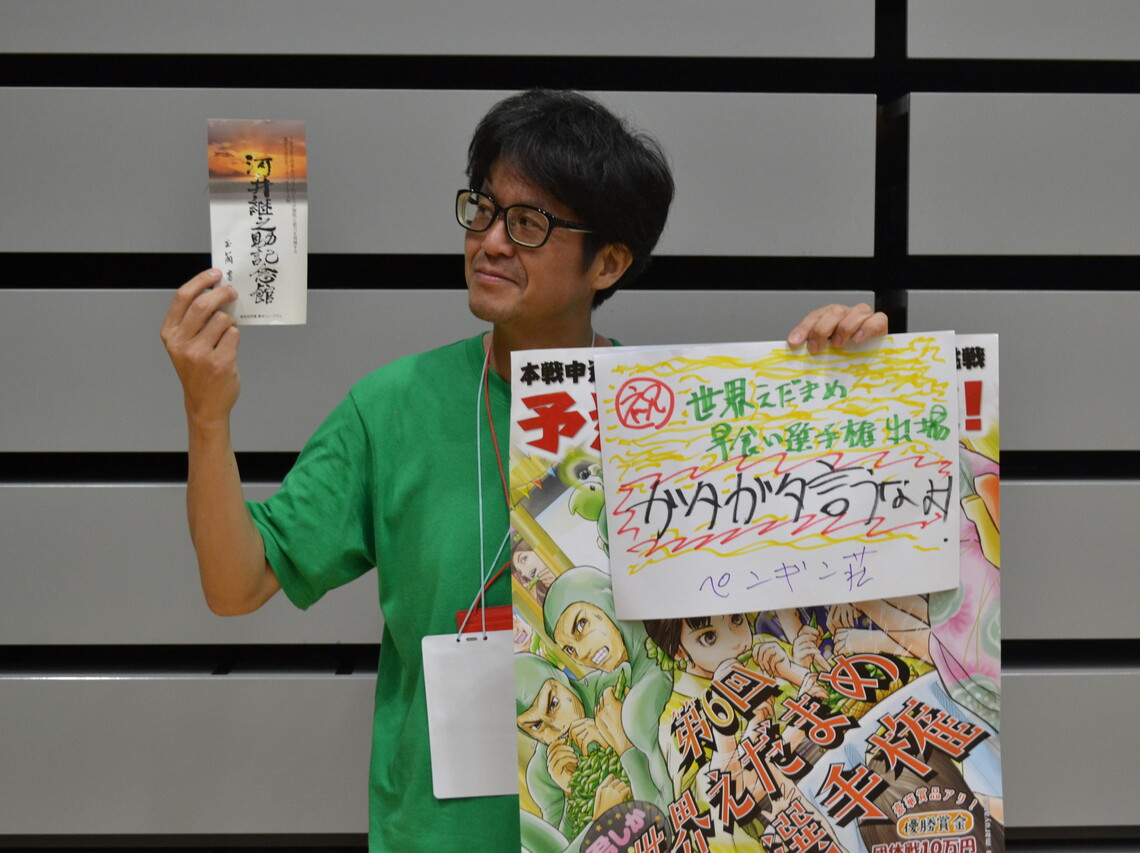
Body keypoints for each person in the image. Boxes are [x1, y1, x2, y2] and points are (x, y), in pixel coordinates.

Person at [159, 89, 888, 851]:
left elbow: (807, 606)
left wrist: (848, 386)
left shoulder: (674, 419)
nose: (491, 242)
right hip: (437, 837)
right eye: (483, 209)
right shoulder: (393, 406)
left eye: (529, 222)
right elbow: (236, 585)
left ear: (609, 261)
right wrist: (207, 417)